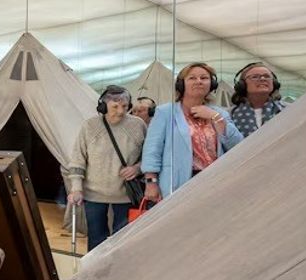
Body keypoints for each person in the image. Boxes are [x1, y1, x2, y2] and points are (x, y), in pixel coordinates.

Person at [141, 62, 242, 201]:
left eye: (204, 78)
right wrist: (151, 182)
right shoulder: (165, 112)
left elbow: (238, 145)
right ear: (181, 85)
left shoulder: (220, 114)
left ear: (211, 85)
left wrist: (215, 117)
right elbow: (152, 149)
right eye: (192, 78)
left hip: (215, 182)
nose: (199, 81)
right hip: (179, 182)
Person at [67, 86, 146, 250]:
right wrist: (76, 188)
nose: (121, 111)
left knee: (123, 242)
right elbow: (77, 159)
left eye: (125, 106)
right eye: (115, 107)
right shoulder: (89, 126)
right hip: (94, 195)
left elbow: (150, 155)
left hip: (126, 195)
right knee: (96, 241)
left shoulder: (138, 125)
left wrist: (138, 168)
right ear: (103, 106)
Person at [229, 63, 284, 137]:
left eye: (267, 76)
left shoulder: (288, 110)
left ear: (274, 83)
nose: (262, 79)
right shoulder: (229, 115)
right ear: (242, 85)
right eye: (255, 77)